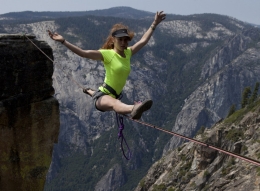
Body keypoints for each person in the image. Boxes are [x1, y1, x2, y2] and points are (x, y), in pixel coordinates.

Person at [48, 11, 166, 119]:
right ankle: (134, 108)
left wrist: (154, 23)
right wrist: (63, 41)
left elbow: (143, 41)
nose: (123, 43)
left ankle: (89, 91)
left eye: (126, 40)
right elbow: (83, 53)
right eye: (120, 40)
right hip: (102, 98)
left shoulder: (128, 53)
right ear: (113, 40)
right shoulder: (107, 54)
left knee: (113, 101)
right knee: (116, 104)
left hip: (111, 95)